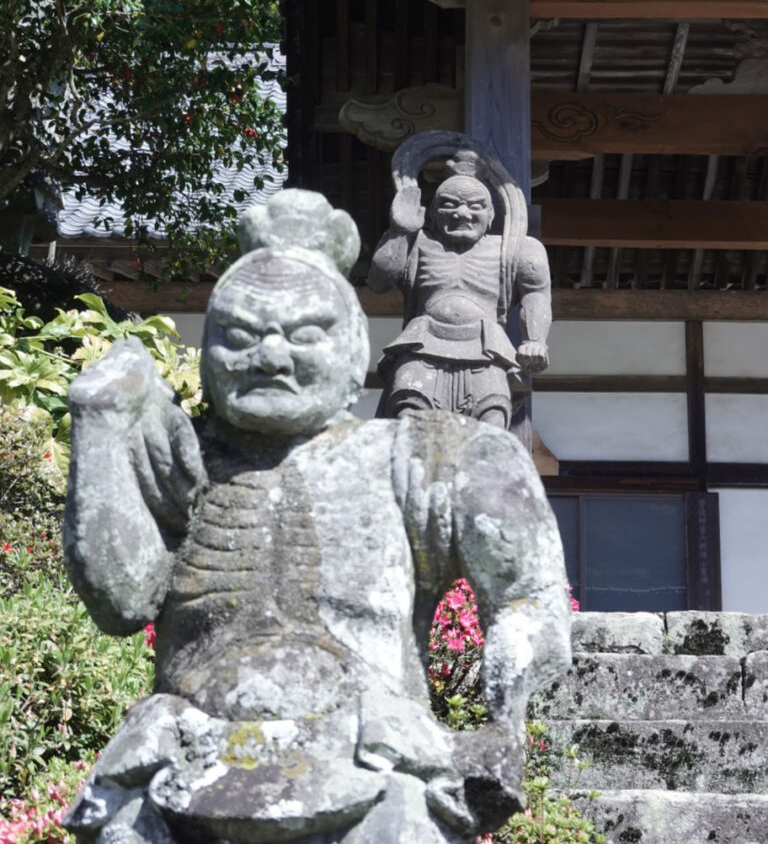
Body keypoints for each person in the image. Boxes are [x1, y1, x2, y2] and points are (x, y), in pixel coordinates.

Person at [63, 189, 571, 844]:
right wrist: (100, 427)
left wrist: (505, 718)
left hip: (370, 746)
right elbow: (122, 600)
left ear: (356, 343)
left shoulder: (417, 456)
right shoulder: (185, 456)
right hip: (186, 743)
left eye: (304, 335)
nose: (270, 357)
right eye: (240, 337)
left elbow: (528, 598)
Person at [368, 148, 551, 429]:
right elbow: (379, 281)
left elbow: (536, 293)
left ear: (491, 214)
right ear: (433, 213)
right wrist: (399, 231)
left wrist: (534, 340)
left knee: (491, 420)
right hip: (421, 346)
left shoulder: (514, 248)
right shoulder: (419, 243)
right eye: (449, 205)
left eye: (475, 206)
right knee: (409, 415)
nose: (462, 213)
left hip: (487, 350)